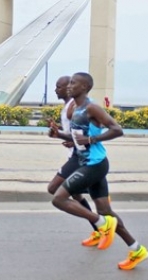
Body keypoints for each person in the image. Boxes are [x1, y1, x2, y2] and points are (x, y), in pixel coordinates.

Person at [49, 72, 148, 270]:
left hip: (94, 164)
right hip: (85, 160)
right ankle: (136, 248)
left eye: (73, 83)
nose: (69, 86)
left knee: (58, 198)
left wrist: (93, 140)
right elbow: (79, 134)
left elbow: (117, 129)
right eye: (69, 83)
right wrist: (59, 134)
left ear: (85, 87)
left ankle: (100, 224)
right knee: (106, 211)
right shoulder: (76, 108)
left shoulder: (91, 107)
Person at [46, 75, 100, 245]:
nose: (57, 90)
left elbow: (90, 127)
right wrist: (60, 134)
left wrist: (80, 140)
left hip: (81, 156)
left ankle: (101, 223)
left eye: (59, 86)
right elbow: (75, 131)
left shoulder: (74, 107)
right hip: (76, 154)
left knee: (54, 188)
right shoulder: (68, 107)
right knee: (76, 194)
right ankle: (99, 230)